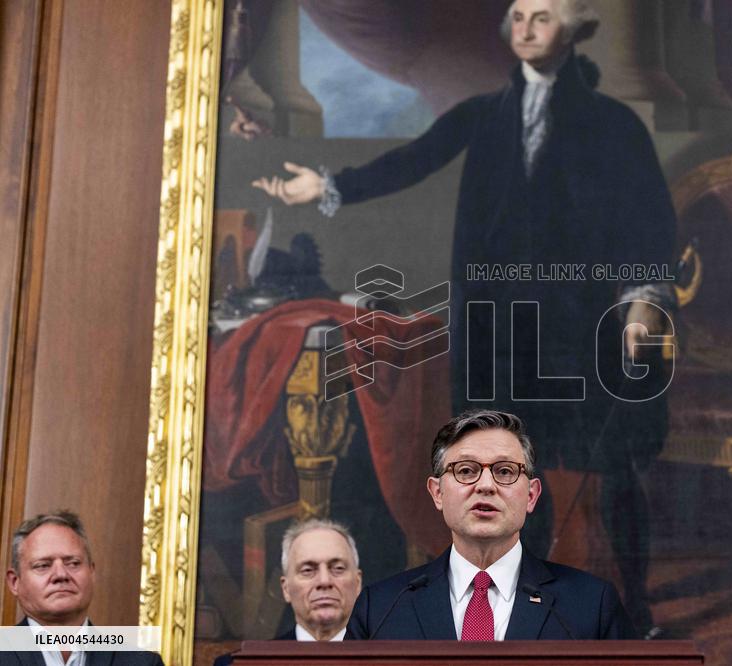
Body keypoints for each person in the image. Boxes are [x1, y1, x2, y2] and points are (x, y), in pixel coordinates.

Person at [254, 0, 675, 633]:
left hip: (577, 325)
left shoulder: (613, 125)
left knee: (609, 463)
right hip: (498, 331)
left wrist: (643, 299)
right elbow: (414, 159)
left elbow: (647, 216)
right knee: (511, 474)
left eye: (544, 16)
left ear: (577, 27)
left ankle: (636, 609)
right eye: (520, 16)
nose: (527, 27)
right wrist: (326, 185)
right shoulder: (485, 114)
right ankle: (526, 612)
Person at [345, 409, 635, 640]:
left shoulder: (591, 605)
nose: (486, 485)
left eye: (505, 471)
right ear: (437, 493)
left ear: (531, 495)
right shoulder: (381, 608)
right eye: (466, 471)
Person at [5, 510, 164, 665]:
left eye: (73, 563)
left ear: (91, 572)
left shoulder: (143, 662)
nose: (61, 574)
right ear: (15, 582)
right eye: (43, 566)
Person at [214, 519, 362, 665]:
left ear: (357, 583)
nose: (324, 581)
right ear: (286, 589)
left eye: (338, 569)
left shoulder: (383, 658)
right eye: (308, 570)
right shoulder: (238, 664)